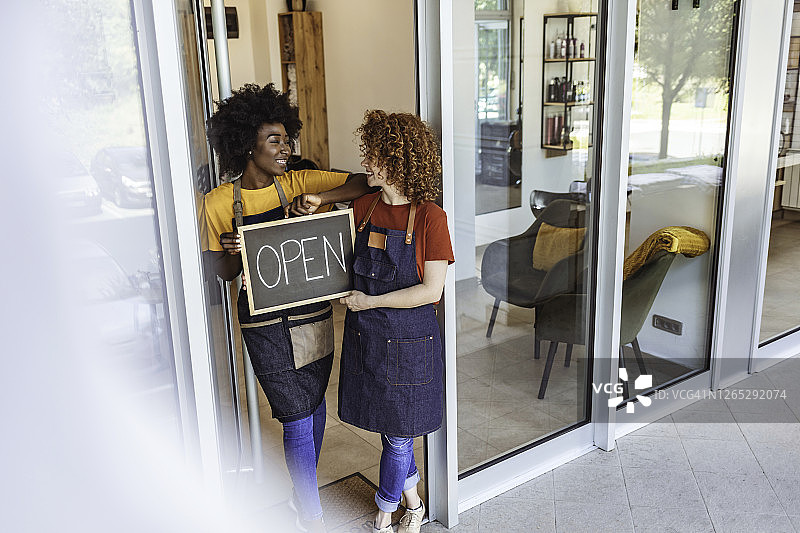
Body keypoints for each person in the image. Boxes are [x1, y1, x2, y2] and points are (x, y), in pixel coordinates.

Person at [201, 83, 374, 533]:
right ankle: (313, 517)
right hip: (263, 325)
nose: (286, 148)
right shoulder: (219, 203)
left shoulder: (298, 181)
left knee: (314, 405)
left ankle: (303, 496)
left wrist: (321, 200)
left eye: (286, 138)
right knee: (296, 415)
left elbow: (360, 182)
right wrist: (232, 251)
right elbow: (218, 272)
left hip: (312, 314)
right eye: (274, 140)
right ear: (246, 145)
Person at [338, 110, 454, 533]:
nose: (366, 162)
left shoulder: (430, 218)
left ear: (398, 161)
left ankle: (384, 516)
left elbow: (430, 291)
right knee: (392, 432)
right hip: (370, 339)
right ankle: (416, 503)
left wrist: (370, 303)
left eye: (374, 155)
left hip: (409, 343)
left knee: (400, 434)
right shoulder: (363, 208)